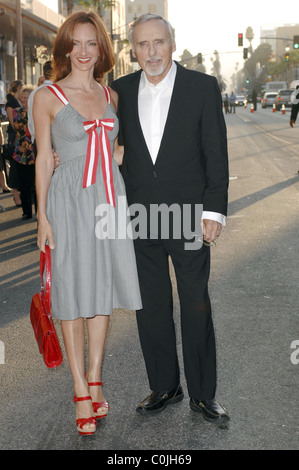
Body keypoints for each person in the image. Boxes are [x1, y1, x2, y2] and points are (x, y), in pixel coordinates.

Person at [111, 14, 229, 421]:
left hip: (190, 216)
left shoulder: (201, 86)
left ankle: (202, 393)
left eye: (158, 43)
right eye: (142, 45)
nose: (151, 52)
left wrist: (214, 210)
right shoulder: (119, 91)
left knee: (196, 302)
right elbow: (107, 146)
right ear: (133, 50)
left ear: (172, 44)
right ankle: (165, 386)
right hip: (140, 216)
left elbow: (216, 152)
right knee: (151, 306)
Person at [33, 11, 142, 436]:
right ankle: (79, 388)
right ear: (64, 48)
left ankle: (96, 377)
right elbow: (44, 158)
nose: (82, 51)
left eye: (90, 43)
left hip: (109, 199)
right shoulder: (46, 95)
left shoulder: (111, 96)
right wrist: (42, 215)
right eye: (75, 43)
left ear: (101, 50)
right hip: (69, 201)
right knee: (72, 289)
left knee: (101, 290)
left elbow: (115, 149)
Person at [12, 85, 36, 219]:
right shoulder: (17, 111)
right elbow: (17, 125)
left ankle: (40, 213)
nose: (24, 100)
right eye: (22, 97)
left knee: (37, 184)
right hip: (21, 153)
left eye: (26, 97)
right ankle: (26, 212)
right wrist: (27, 112)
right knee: (24, 185)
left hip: (34, 152)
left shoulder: (38, 110)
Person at [28, 60, 53, 156]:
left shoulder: (34, 93)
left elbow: (30, 120)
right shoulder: (58, 91)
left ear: (43, 74)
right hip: (53, 142)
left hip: (37, 141)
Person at [5, 80, 24, 207]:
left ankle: (21, 194)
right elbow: (13, 124)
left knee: (21, 167)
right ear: (18, 88)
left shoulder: (21, 101)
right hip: (15, 137)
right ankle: (16, 195)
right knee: (14, 167)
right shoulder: (10, 103)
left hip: (22, 138)